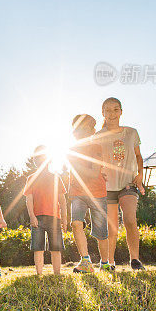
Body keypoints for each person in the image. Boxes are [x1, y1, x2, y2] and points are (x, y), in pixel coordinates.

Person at [95, 97, 145, 271]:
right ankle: (110, 262)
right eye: (108, 110)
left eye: (116, 109)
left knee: (131, 220)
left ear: (121, 111)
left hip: (128, 184)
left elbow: (138, 156)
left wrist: (140, 175)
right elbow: (93, 160)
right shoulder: (98, 136)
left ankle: (135, 260)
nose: (112, 113)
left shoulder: (131, 133)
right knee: (112, 227)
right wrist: (98, 172)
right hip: (107, 186)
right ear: (103, 113)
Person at [67, 115, 111, 272]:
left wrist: (74, 163)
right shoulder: (70, 150)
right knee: (76, 223)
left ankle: (105, 263)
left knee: (101, 233)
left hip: (97, 193)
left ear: (92, 131)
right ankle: (85, 261)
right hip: (78, 193)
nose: (80, 132)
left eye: (85, 129)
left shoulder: (96, 148)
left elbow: (93, 174)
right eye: (77, 128)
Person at [23, 146, 68, 275]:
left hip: (55, 218)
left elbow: (63, 201)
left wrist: (64, 219)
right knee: (38, 248)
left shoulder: (56, 177)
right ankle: (39, 274)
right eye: (38, 159)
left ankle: (57, 274)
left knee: (56, 248)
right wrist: (32, 216)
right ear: (35, 161)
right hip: (38, 218)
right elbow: (29, 199)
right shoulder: (31, 178)